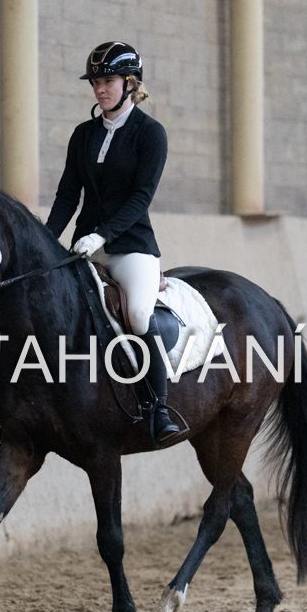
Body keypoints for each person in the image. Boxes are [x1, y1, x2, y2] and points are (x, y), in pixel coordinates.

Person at [45, 41, 181, 445]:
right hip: (84, 246)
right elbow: (67, 196)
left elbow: (141, 198)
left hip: (131, 246)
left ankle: (158, 407)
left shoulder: (150, 134)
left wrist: (102, 235)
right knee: (50, 307)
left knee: (137, 314)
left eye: (107, 82)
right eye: (95, 83)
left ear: (130, 83)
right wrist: (47, 242)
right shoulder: (83, 135)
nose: (100, 89)